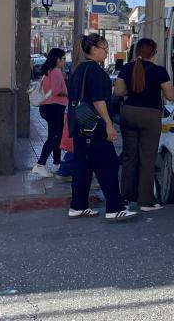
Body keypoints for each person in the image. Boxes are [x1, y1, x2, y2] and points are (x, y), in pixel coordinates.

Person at [67, 34, 137, 221]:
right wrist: (108, 125)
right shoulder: (96, 71)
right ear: (93, 49)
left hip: (79, 125)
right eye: (104, 48)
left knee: (82, 168)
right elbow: (99, 101)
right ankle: (114, 207)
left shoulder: (78, 69)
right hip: (94, 127)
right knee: (108, 166)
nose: (107, 51)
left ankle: (78, 206)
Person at [113, 38, 174, 211]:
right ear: (154, 53)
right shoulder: (159, 72)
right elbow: (170, 96)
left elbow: (117, 91)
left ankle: (125, 198)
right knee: (147, 158)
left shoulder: (126, 69)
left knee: (129, 157)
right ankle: (146, 201)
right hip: (150, 115)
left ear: (136, 52)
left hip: (129, 113)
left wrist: (132, 91)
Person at [31, 48, 68, 178]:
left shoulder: (48, 71)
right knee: (54, 136)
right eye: (63, 59)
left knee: (56, 136)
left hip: (49, 107)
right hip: (55, 107)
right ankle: (40, 165)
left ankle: (57, 163)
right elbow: (57, 91)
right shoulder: (56, 71)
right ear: (57, 59)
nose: (64, 61)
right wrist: (70, 93)